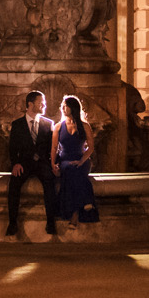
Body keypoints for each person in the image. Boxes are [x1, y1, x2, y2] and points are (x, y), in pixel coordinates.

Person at [5, 90, 58, 238]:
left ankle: (51, 222)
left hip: (42, 164)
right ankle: (12, 223)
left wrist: (53, 164)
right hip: (24, 163)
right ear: (30, 104)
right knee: (14, 184)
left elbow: (52, 148)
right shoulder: (17, 124)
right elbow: (12, 148)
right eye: (41, 102)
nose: (44, 105)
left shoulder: (49, 124)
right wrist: (15, 163)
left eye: (44, 102)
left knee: (50, 182)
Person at [54, 94, 99, 226]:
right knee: (70, 168)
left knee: (77, 170)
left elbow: (91, 148)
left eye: (66, 106)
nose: (63, 108)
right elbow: (54, 147)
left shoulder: (85, 126)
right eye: (62, 106)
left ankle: (73, 212)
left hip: (82, 158)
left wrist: (81, 161)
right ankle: (84, 204)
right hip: (65, 159)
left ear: (73, 108)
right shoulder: (58, 126)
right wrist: (53, 164)